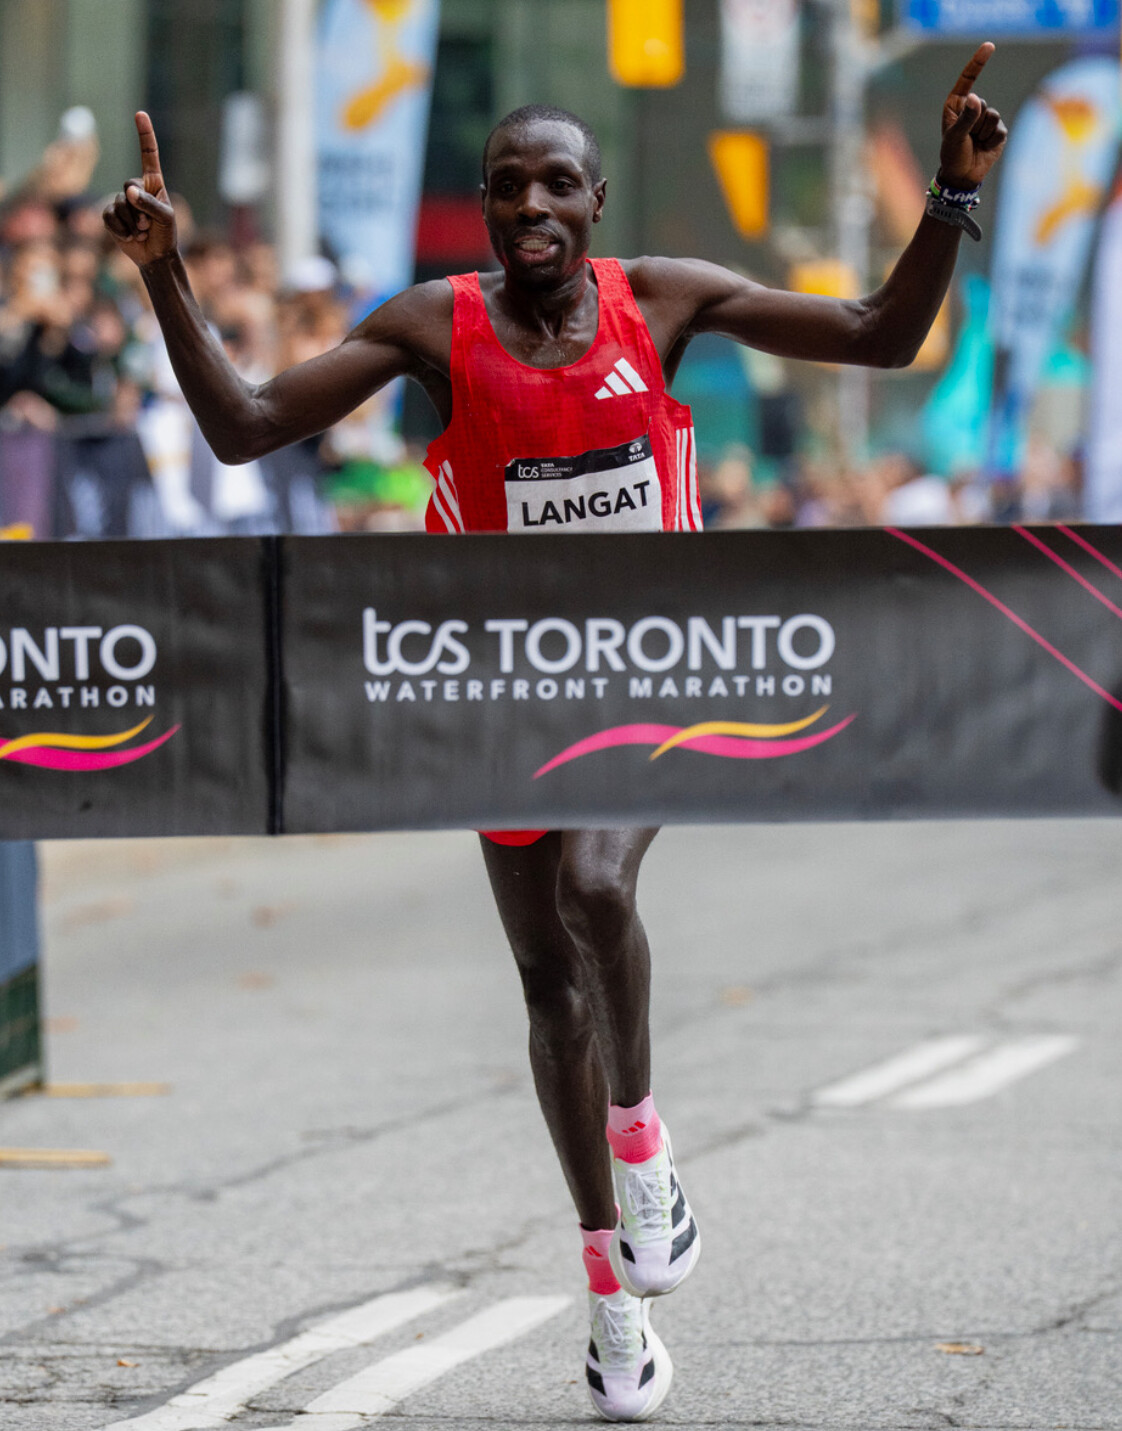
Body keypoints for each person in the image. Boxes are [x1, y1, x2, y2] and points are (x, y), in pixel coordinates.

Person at [104, 46, 1006, 1421]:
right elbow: (245, 428)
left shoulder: (664, 301)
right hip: (501, 681)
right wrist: (164, 270)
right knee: (546, 990)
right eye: (507, 186)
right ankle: (609, 1296)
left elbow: (881, 333)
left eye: (557, 185)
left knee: (596, 885)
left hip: (653, 658)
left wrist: (948, 193)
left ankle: (643, 1149)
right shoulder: (433, 323)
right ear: (484, 206)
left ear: (595, 203)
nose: (532, 206)